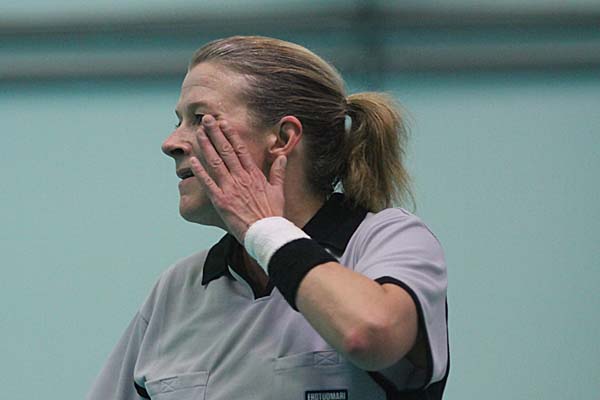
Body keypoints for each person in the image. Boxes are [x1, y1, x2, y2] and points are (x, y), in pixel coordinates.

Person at [87, 35, 449, 400]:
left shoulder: (384, 240)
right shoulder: (176, 290)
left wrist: (264, 229)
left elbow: (368, 335)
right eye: (179, 120)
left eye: (199, 118)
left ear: (282, 138)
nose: (171, 143)